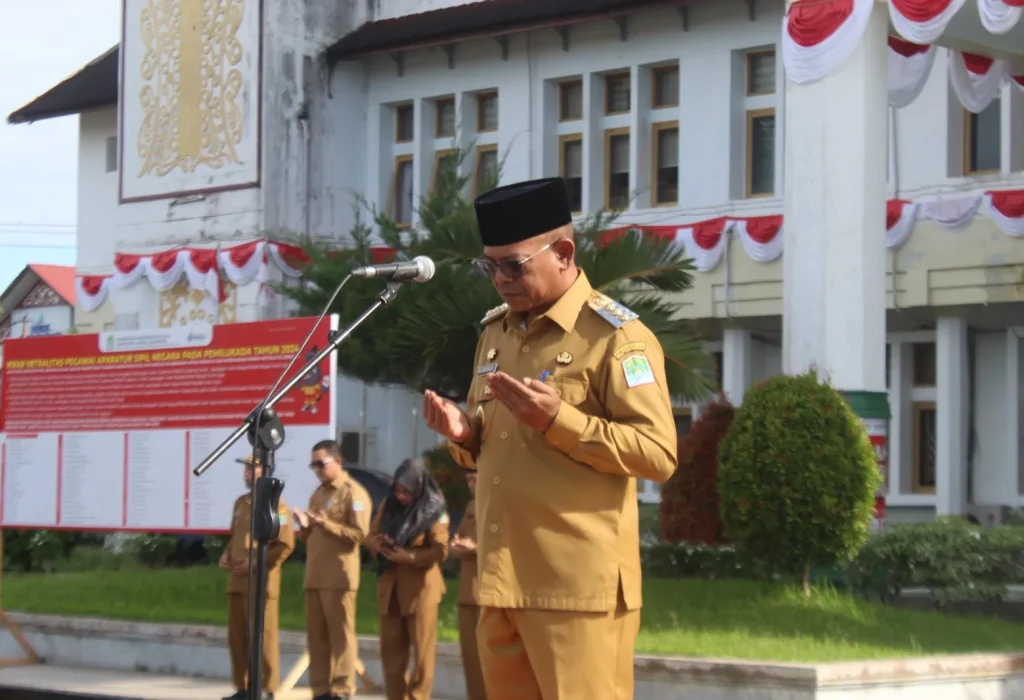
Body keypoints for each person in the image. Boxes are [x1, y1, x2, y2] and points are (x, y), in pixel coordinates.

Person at [421, 176, 678, 699]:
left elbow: (658, 454)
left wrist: (560, 421)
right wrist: (464, 435)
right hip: (502, 581)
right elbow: (493, 449)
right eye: (490, 266)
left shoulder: (616, 337)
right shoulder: (495, 334)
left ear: (563, 253)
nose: (500, 279)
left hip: (575, 591)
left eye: (514, 265)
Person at [293, 439, 372, 700]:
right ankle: (321, 689)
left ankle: (341, 689)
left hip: (339, 577)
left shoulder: (353, 493)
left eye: (321, 464)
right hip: (315, 575)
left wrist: (326, 524)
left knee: (341, 637)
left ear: (337, 461)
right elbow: (312, 536)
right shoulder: (318, 493)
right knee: (316, 638)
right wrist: (305, 525)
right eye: (313, 465)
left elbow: (360, 534)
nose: (317, 470)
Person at [365, 459, 450, 700]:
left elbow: (441, 550)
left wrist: (410, 556)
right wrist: (382, 545)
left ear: (419, 488)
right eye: (398, 490)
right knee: (391, 654)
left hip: (420, 591)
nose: (401, 496)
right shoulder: (389, 504)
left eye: (406, 491)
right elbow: (369, 537)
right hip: (391, 590)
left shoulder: (433, 509)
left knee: (422, 656)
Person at [219, 454, 296, 700]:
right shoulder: (240, 503)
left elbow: (285, 545)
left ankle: (267, 689)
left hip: (261, 583)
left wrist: (255, 564)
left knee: (263, 638)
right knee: (237, 638)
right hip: (237, 582)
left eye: (252, 468)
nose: (247, 473)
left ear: (266, 471)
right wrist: (227, 553)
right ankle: (243, 688)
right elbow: (235, 536)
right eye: (245, 469)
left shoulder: (277, 506)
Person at [450, 468, 486, 700]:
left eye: (474, 479)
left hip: (488, 593)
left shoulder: (500, 503)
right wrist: (457, 544)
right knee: (471, 659)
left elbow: (509, 545)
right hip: (467, 591)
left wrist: (476, 548)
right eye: (467, 480)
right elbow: (461, 534)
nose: (470, 485)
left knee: (488, 661)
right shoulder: (471, 505)